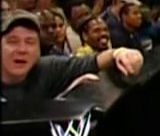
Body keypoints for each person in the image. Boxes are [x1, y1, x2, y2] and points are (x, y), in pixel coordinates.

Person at [1, 9, 144, 101]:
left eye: (30, 42)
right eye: (12, 41)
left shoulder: (47, 68)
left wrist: (121, 53)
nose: (22, 50)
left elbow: (95, 61)